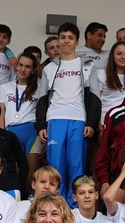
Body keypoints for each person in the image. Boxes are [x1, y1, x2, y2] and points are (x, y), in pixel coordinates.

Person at [36, 23, 101, 198]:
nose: (66, 41)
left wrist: (91, 123)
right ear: (58, 40)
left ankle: (74, 205)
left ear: (77, 42)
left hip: (78, 120)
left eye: (70, 38)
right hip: (55, 119)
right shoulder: (49, 68)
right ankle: (55, 203)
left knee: (76, 165)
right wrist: (41, 125)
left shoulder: (87, 66)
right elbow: (42, 99)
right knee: (55, 167)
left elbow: (95, 98)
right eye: (63, 37)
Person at [0, 51, 41, 189]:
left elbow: (44, 112)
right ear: (16, 66)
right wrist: (1, 135)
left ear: (33, 70)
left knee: (31, 172)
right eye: (21, 65)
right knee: (14, 169)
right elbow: (1, 114)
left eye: (27, 67)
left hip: (32, 132)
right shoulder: (5, 87)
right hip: (11, 132)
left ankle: (29, 196)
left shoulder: (39, 87)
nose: (23, 69)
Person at [96, 40, 125, 117]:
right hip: (106, 119)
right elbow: (95, 101)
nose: (123, 57)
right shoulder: (102, 74)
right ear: (112, 56)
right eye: (119, 54)